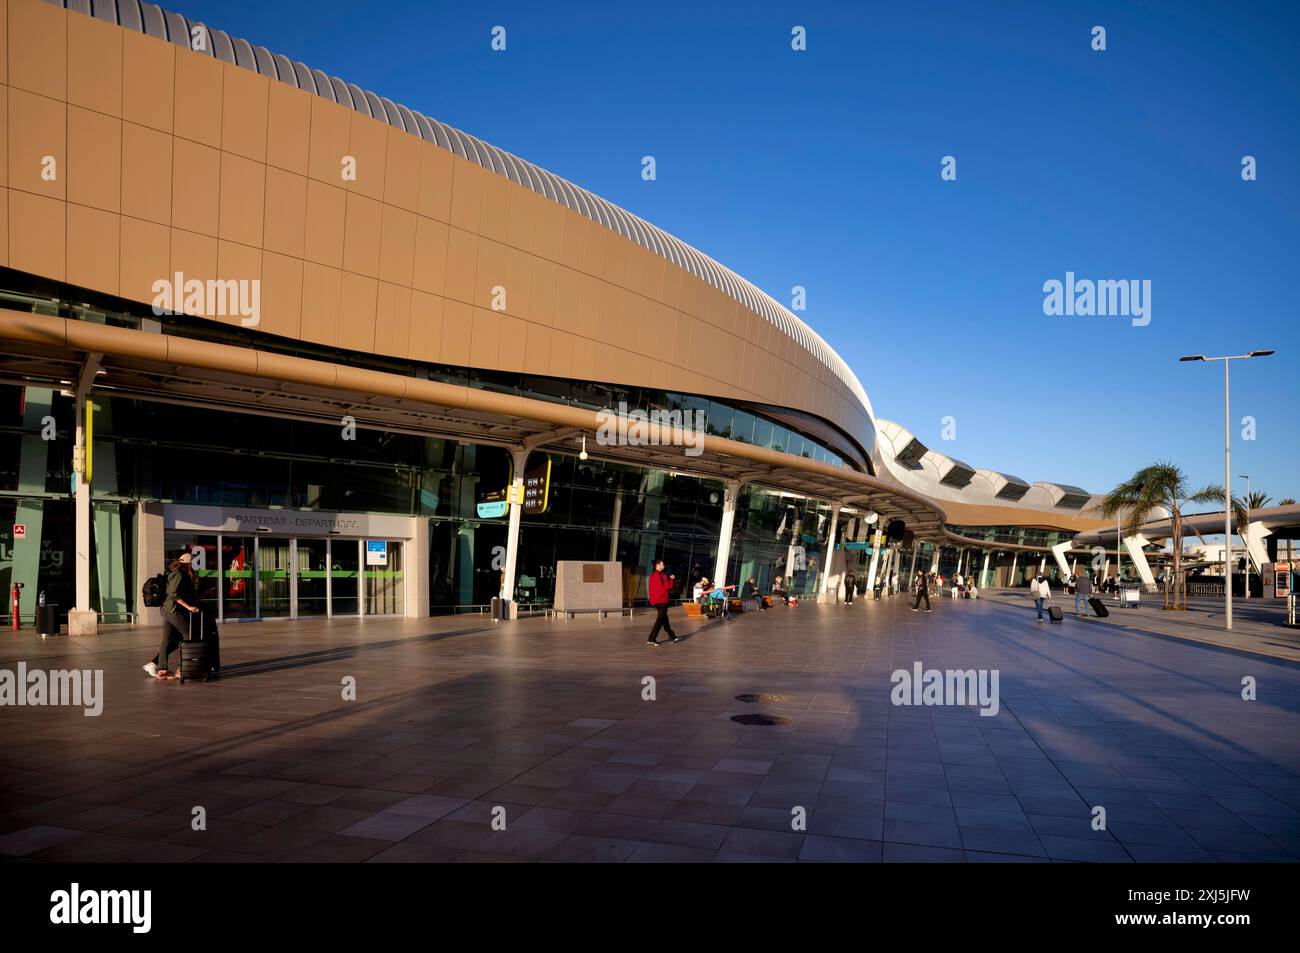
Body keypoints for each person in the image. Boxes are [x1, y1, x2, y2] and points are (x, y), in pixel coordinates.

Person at [143, 552, 200, 678]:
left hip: (167, 609)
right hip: (173, 610)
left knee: (167, 640)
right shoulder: (179, 574)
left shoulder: (172, 571)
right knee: (188, 635)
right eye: (192, 563)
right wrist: (189, 607)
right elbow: (173, 594)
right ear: (188, 564)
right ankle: (182, 668)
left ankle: (162, 669)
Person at [646, 560, 679, 646]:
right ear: (658, 565)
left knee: (664, 618)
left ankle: (672, 636)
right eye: (662, 565)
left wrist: (652, 600)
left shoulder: (652, 576)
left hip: (655, 601)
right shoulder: (663, 575)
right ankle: (651, 638)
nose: (664, 566)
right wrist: (672, 579)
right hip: (663, 600)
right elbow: (668, 586)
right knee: (660, 620)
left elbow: (651, 589)